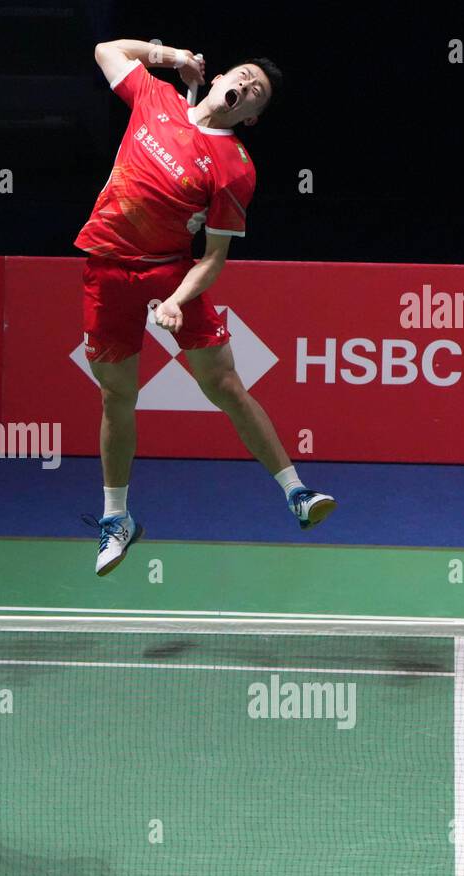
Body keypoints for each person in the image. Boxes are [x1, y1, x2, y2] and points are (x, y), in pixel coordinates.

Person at [77, 39, 336, 576]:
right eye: (242, 75)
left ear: (253, 115)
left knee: (224, 386)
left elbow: (214, 258)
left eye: (255, 93)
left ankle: (296, 492)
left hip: (171, 270)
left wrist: (174, 301)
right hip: (105, 266)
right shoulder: (157, 98)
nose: (244, 86)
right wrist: (172, 57)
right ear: (217, 78)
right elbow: (106, 49)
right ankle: (117, 518)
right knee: (116, 395)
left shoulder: (235, 168)